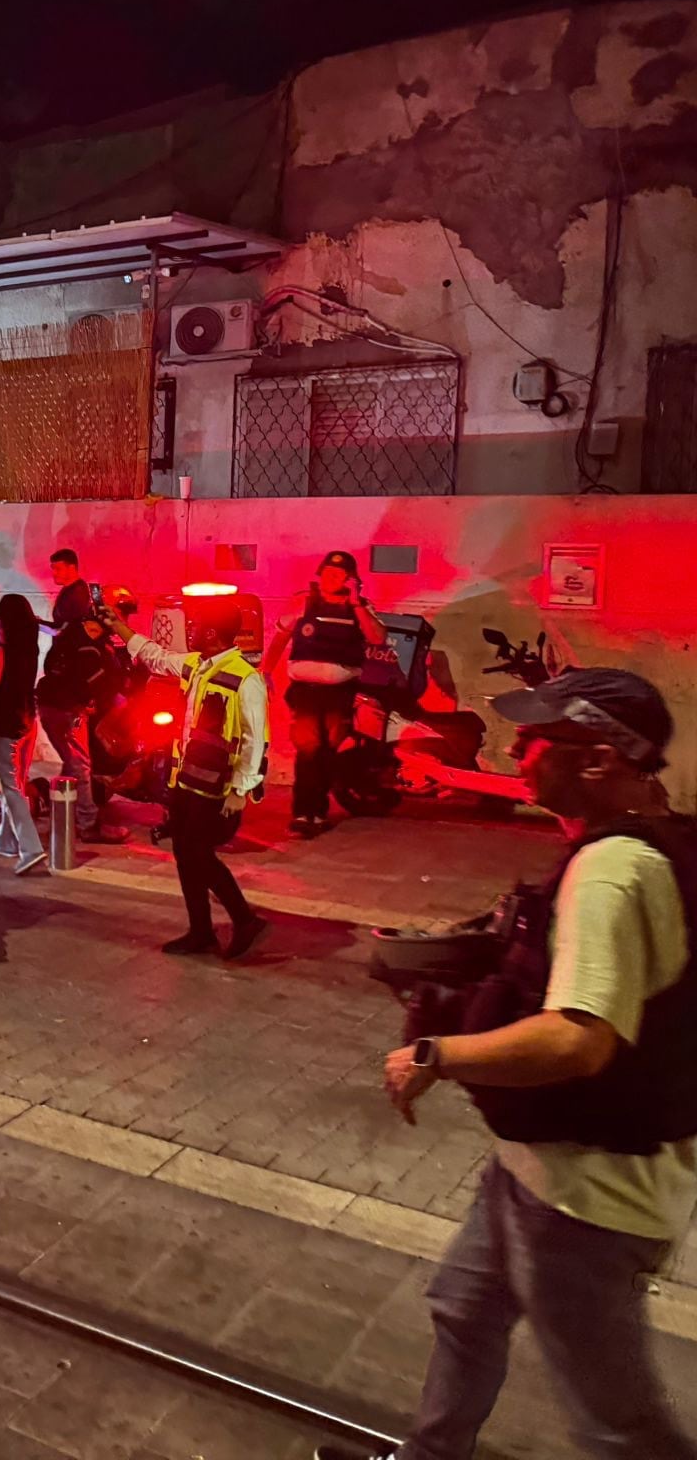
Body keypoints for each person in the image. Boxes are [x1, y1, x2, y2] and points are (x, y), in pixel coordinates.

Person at [320, 670, 697, 1460]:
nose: (517, 755)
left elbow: (578, 1038)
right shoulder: (661, 839)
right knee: (463, 1310)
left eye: (535, 742)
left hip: (585, 1198)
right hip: (535, 1170)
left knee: (616, 1424)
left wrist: (437, 1053)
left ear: (596, 760)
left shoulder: (613, 871)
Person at [100, 592, 269, 958]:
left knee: (197, 853)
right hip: (188, 782)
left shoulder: (247, 679)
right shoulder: (199, 666)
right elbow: (156, 657)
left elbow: (256, 741)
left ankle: (244, 919)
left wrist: (241, 790)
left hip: (218, 788)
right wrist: (120, 629)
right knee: (184, 851)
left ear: (211, 635)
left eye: (194, 627)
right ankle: (201, 931)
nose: (189, 631)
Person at [263, 549, 389, 838]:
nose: (334, 578)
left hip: (340, 694)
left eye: (342, 575)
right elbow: (281, 636)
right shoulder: (303, 601)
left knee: (327, 752)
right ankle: (303, 813)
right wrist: (266, 672)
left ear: (352, 580)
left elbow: (377, 638)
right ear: (320, 574)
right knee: (308, 751)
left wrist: (356, 603)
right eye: (329, 573)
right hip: (306, 693)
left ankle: (317, 812)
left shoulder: (360, 608)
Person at [36, 548, 128, 845]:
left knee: (72, 761)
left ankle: (58, 803)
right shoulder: (85, 644)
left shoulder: (79, 624)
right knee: (80, 764)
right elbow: (82, 677)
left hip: (57, 705)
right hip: (65, 707)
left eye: (60, 568)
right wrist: (86, 701)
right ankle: (88, 823)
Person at [0, 593, 47, 872]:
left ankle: (31, 849)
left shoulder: (3, 648)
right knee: (17, 783)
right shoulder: (28, 644)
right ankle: (7, 840)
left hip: (8, 723)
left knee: (10, 787)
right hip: (27, 719)